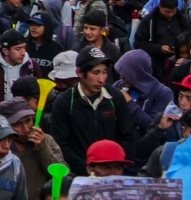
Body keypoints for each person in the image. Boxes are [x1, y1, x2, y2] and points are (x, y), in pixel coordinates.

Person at [42, 47, 133, 176]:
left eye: (104, 72)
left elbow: (127, 135)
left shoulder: (116, 97)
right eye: (96, 73)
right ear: (80, 72)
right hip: (77, 175)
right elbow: (60, 143)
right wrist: (87, 168)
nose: (101, 79)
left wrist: (111, 166)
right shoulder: (64, 102)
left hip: (112, 175)